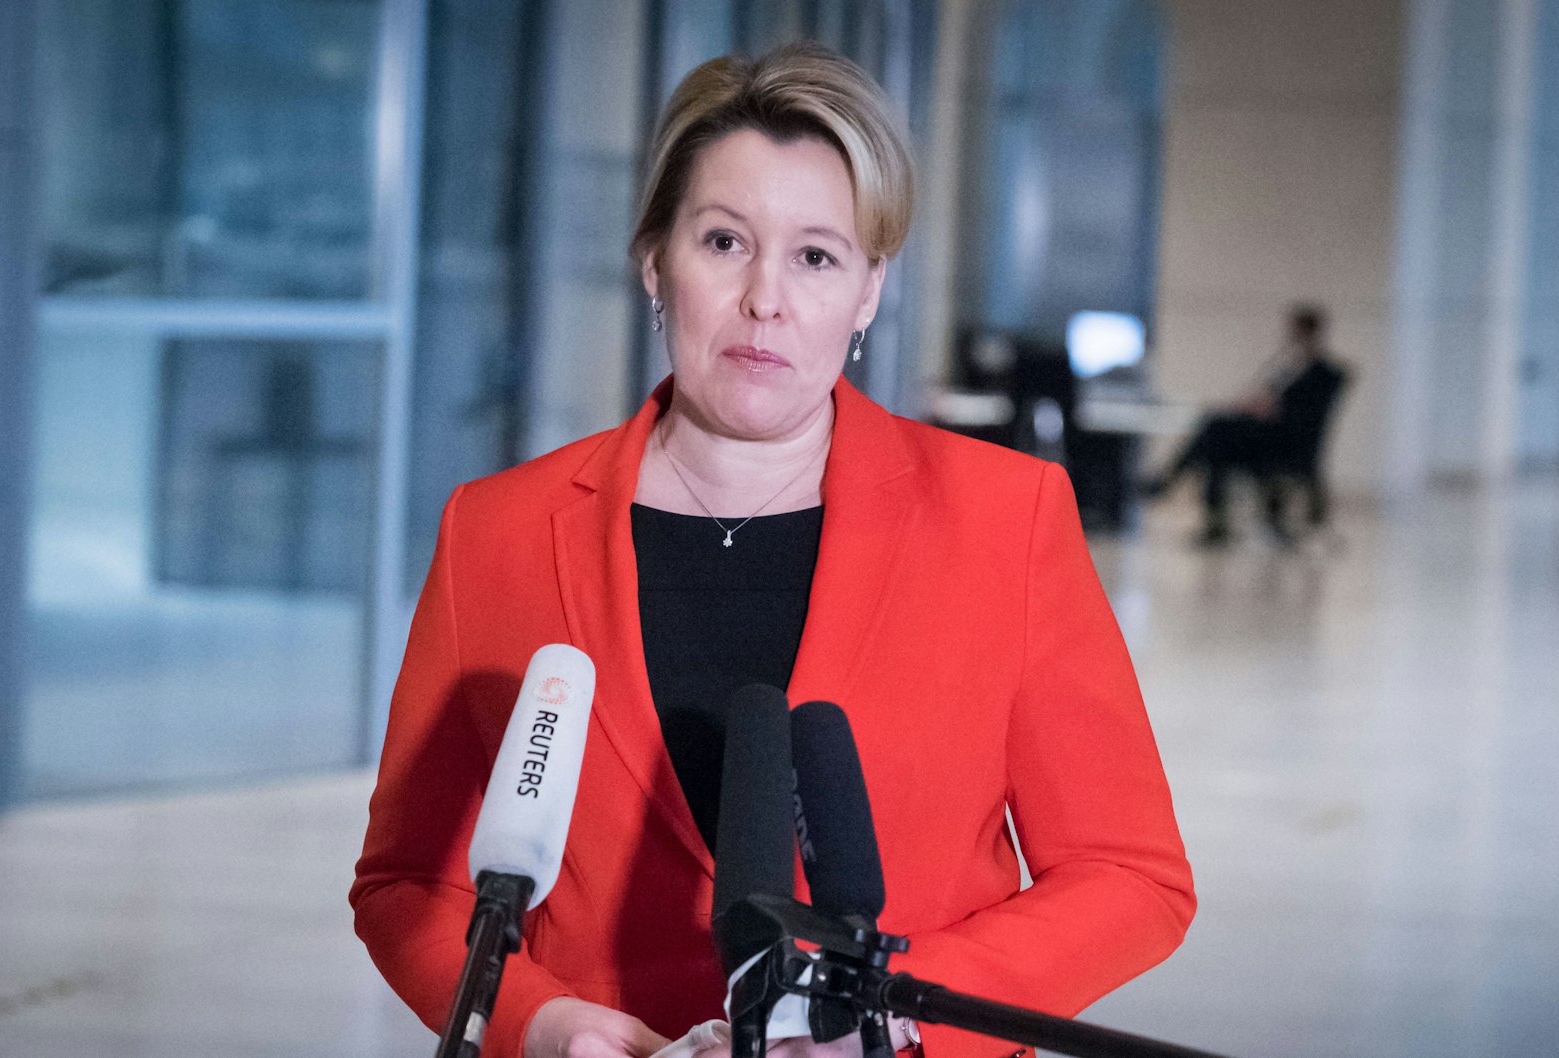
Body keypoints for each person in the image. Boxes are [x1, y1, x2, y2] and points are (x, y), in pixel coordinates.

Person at [351, 43, 1194, 1058]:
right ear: (653, 258)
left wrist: (893, 1018)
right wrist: (543, 1023)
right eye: (722, 241)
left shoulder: (1003, 516)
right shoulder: (496, 531)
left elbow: (1127, 874)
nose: (765, 299)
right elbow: (407, 885)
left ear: (868, 291)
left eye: (816, 256)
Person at [1142, 304, 1347, 546]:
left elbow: (1302, 417)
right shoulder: (1291, 367)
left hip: (1286, 443)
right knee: (1216, 449)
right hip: (1267, 438)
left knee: (1215, 426)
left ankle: (1168, 480)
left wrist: (1269, 410)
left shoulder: (1325, 372)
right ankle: (1213, 524)